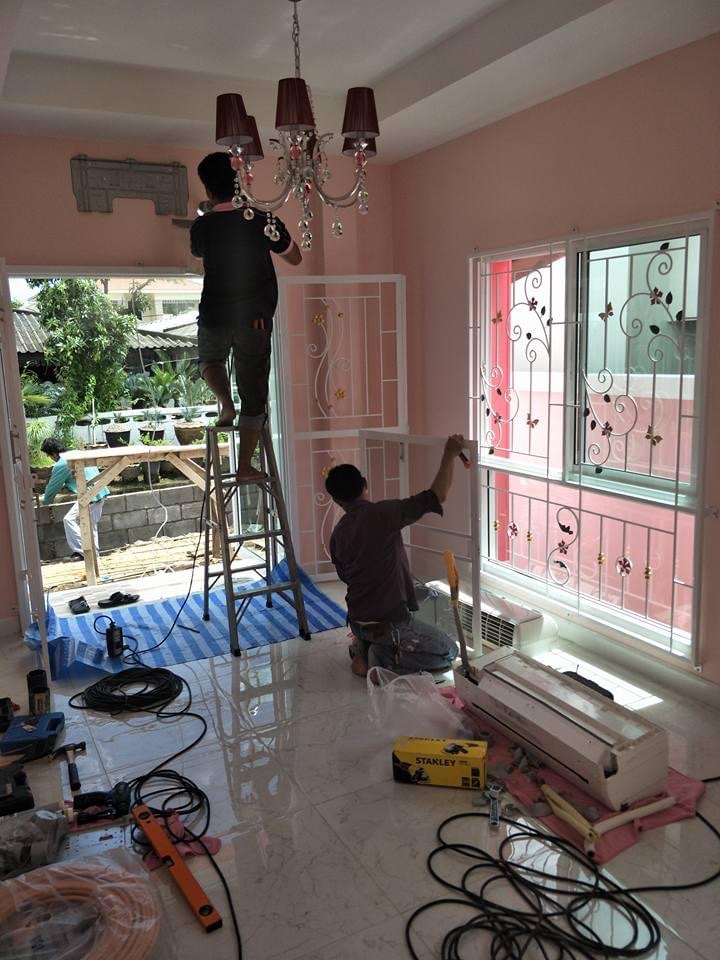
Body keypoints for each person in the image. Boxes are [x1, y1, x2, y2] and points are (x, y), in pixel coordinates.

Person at [190, 152, 302, 480]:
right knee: (254, 397)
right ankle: (244, 467)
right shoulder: (263, 220)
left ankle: (225, 404)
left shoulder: (202, 226)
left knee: (209, 360)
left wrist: (212, 212)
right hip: (253, 318)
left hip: (214, 313)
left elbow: (199, 251)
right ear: (240, 182)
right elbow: (295, 257)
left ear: (208, 189)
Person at [325, 435, 467, 677]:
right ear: (365, 484)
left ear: (337, 500)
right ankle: (380, 659)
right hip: (390, 622)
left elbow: (345, 577)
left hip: (358, 620)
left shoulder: (338, 534)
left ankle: (363, 647)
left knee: (386, 632)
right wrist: (449, 453)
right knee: (449, 652)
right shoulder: (383, 514)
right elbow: (437, 495)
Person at [40, 438, 110, 561]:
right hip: (100, 492)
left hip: (90, 496)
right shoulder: (76, 453)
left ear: (53, 454)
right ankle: (94, 555)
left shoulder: (62, 464)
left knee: (69, 520)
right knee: (90, 525)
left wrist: (45, 501)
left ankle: (84, 552)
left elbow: (52, 488)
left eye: (49, 456)